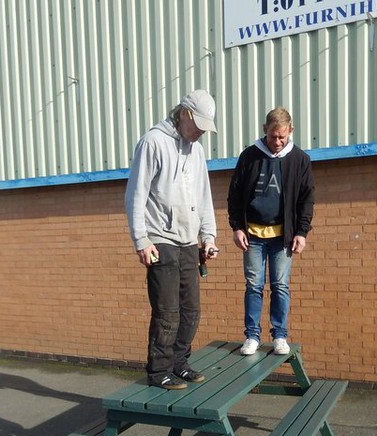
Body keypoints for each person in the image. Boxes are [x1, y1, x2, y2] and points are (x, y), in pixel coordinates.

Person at [125, 89, 219, 389]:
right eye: (198, 126)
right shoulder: (153, 142)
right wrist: (141, 240)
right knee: (167, 312)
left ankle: (179, 363)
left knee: (191, 310)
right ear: (184, 114)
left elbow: (203, 196)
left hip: (189, 241)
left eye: (206, 128)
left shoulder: (197, 151)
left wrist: (208, 236)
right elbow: (136, 194)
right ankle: (159, 371)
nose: (201, 133)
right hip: (160, 239)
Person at [227, 107, 314, 356]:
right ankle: (252, 336)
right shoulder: (249, 157)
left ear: (291, 132)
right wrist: (237, 227)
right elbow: (234, 194)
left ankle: (280, 335)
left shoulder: (300, 160)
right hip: (252, 235)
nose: (277, 142)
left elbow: (307, 199)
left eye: (282, 137)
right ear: (265, 130)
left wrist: (301, 232)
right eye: (273, 136)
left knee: (280, 285)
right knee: (254, 285)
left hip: (282, 238)